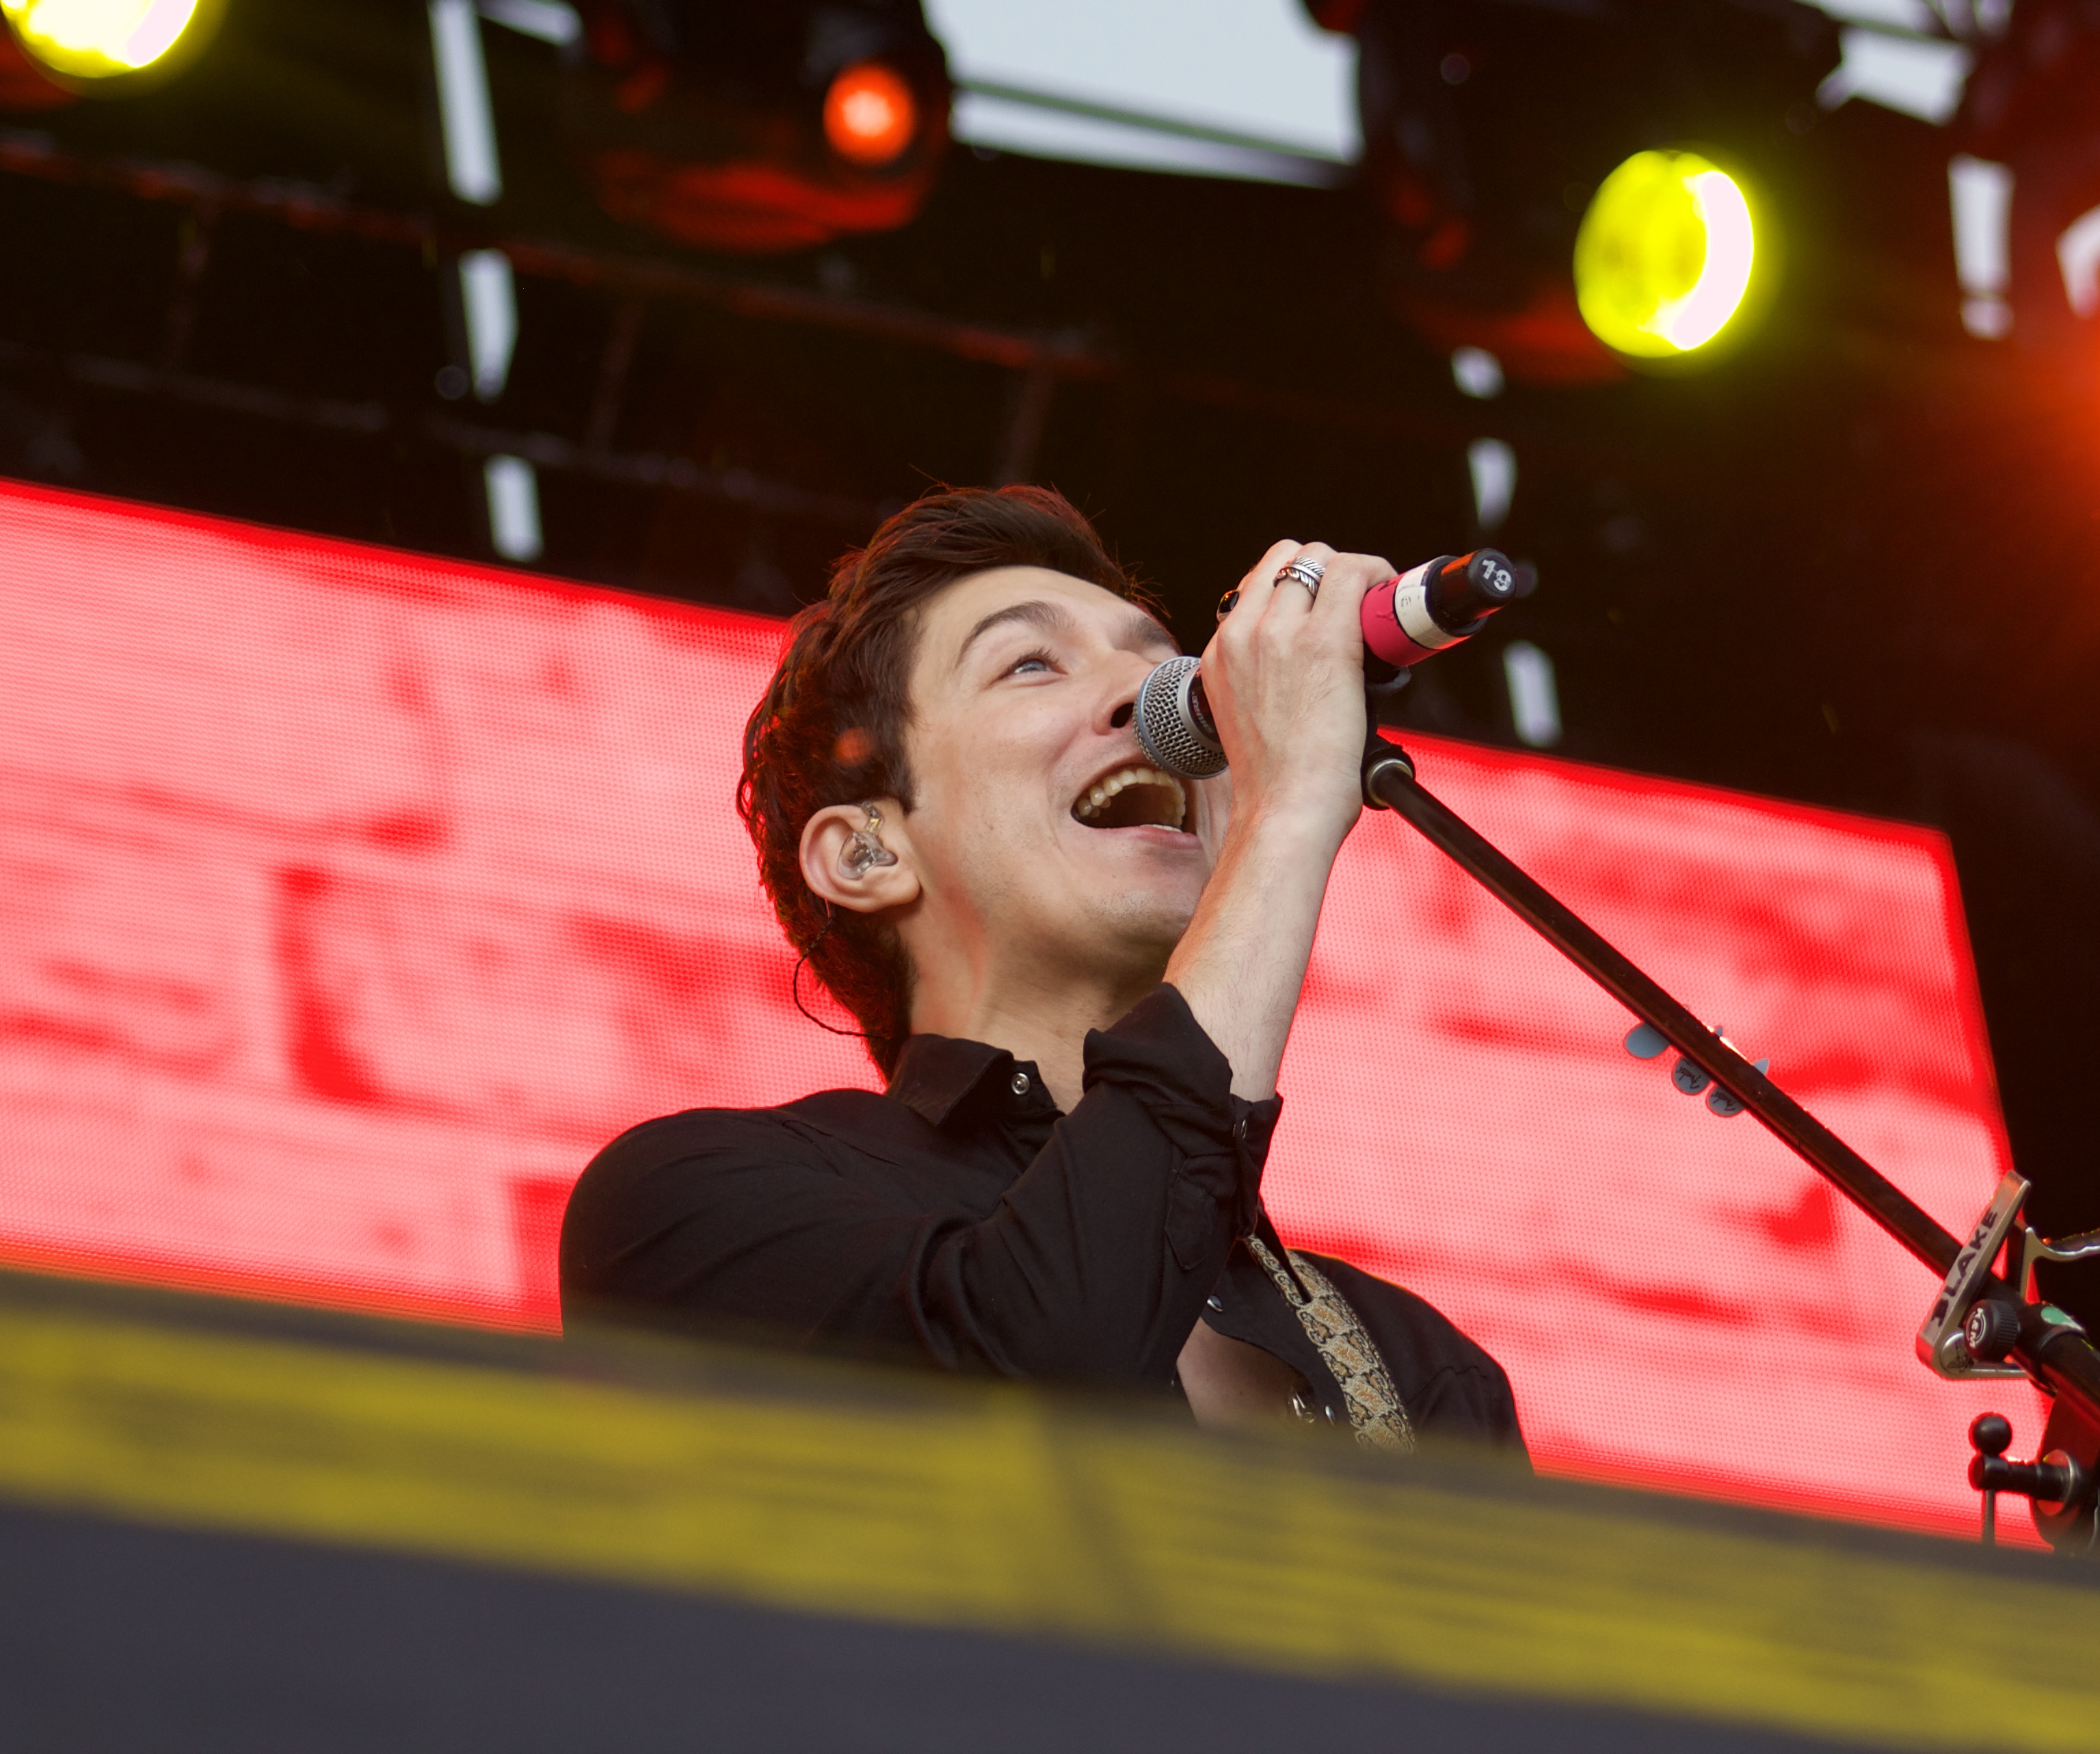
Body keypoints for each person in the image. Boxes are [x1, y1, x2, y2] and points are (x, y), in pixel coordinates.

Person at [561, 486, 1521, 1454]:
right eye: (1030, 663)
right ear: (866, 853)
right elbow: (1047, 1381)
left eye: (1161, 662)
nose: (1151, 699)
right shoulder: (693, 1200)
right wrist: (1285, 820)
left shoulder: (1423, 1370)